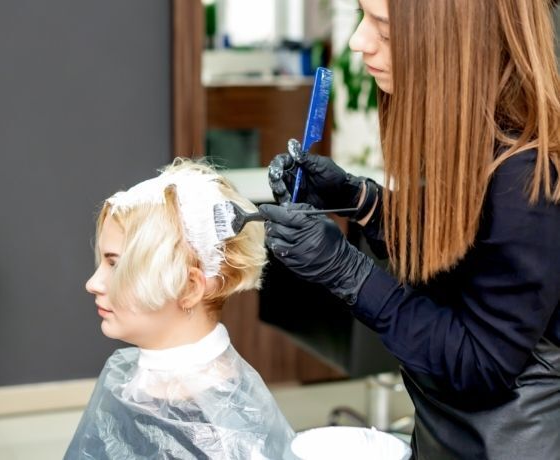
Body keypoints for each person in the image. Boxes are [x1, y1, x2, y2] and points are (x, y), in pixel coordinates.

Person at [260, 0, 560, 458]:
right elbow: (466, 246)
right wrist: (358, 199)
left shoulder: (526, 181)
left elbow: (480, 365)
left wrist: (348, 272)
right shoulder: (484, 139)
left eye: (382, 26)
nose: (358, 42)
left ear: (455, 43)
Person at [64, 158, 297, 459]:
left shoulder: (227, 429)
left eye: (115, 265)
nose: (93, 283)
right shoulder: (122, 374)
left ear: (188, 288)